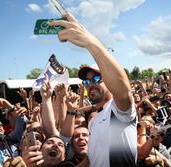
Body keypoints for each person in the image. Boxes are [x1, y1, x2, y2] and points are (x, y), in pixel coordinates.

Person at [49, 12, 137, 166]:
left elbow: (123, 90)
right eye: (87, 81)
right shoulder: (93, 122)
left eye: (97, 78)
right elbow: (92, 159)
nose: (91, 84)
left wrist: (91, 43)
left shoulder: (118, 110)